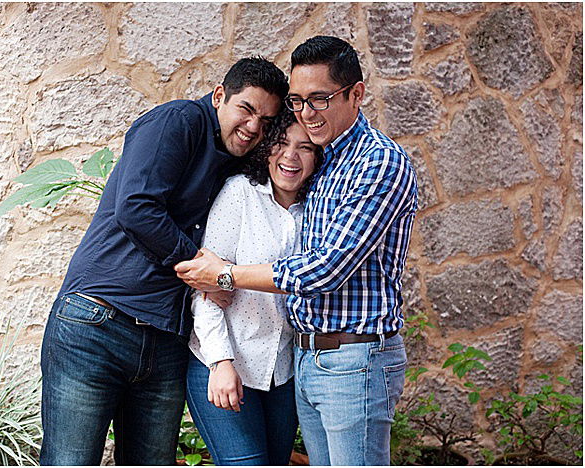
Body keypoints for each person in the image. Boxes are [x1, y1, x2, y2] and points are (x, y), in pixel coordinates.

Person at [175, 36, 418, 466]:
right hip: (307, 362)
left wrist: (226, 274)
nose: (308, 112)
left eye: (320, 99)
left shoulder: (378, 162)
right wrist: (220, 358)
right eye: (298, 100)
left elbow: (324, 269)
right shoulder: (325, 168)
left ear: (356, 94)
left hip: (351, 360)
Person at [39, 57, 288, 466]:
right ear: (220, 96)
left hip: (165, 342)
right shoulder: (178, 121)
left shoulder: (238, 161)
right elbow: (136, 207)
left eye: (266, 120)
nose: (254, 127)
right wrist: (205, 270)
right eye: (246, 109)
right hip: (98, 324)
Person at [186, 109, 323, 465]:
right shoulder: (240, 194)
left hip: (283, 372)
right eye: (280, 143)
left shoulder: (318, 210)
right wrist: (220, 362)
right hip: (225, 362)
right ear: (266, 150)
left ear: (317, 156)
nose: (290, 156)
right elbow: (205, 282)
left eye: (305, 148)